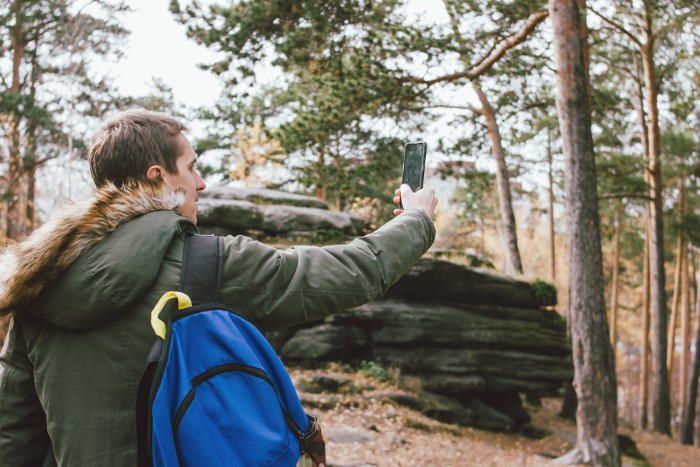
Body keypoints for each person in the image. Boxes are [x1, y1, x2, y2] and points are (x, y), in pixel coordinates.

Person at [0, 109, 438, 467]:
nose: (202, 182)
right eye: (191, 167)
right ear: (158, 176)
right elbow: (341, 273)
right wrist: (414, 221)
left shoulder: (39, 282)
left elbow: (13, 432)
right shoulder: (206, 262)